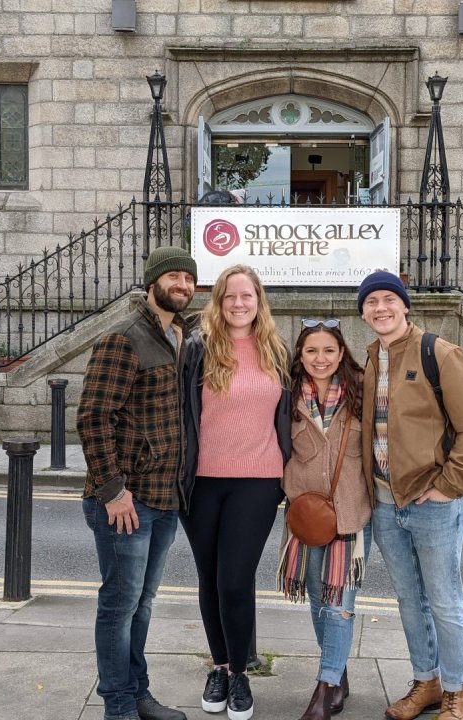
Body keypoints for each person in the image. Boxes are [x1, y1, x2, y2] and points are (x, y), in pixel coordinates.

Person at [357, 270, 463, 720]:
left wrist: (446, 486)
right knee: (409, 601)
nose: (380, 308)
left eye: (388, 299)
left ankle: (456, 691)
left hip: (433, 503)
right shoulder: (372, 359)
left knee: (444, 600)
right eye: (371, 302)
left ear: (404, 305)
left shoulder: (441, 353)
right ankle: (427, 682)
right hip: (385, 503)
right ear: (363, 313)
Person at [77, 246, 198, 720]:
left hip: (165, 498)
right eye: (173, 277)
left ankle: (137, 692)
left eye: (189, 278)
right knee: (119, 605)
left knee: (142, 605)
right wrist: (113, 492)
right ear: (152, 283)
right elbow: (93, 417)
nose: (182, 285)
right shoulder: (124, 338)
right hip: (127, 500)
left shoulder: (181, 335)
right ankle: (119, 706)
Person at [181, 264, 291, 720]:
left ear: (259, 300)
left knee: (234, 580)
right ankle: (221, 668)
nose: (239, 303)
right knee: (209, 578)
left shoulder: (277, 350)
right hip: (201, 482)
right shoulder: (197, 347)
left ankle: (242, 674)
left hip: (259, 481)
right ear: (219, 301)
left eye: (247, 295)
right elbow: (179, 410)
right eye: (230, 296)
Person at [277, 318, 373, 720]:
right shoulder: (286, 396)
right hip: (305, 515)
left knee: (338, 605)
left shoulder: (362, 390)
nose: (321, 358)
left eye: (329, 350)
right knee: (318, 600)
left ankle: (324, 688)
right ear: (300, 355)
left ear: (341, 353)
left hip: (350, 513)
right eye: (312, 350)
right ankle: (338, 673)